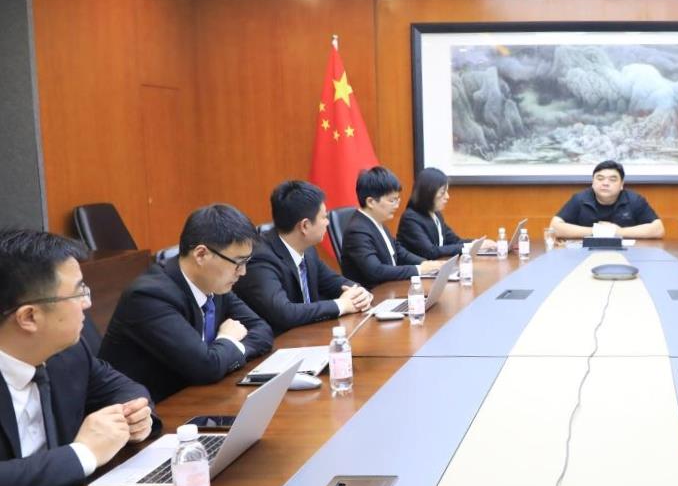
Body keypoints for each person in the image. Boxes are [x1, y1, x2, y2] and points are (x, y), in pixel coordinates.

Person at [0, 229, 156, 486]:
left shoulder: (67, 352)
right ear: (29, 317)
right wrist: (83, 453)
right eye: (78, 292)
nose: (87, 302)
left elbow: (123, 388)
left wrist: (134, 417)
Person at [100, 204, 273, 403]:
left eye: (246, 262)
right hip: (150, 411)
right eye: (238, 262)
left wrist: (228, 352)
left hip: (197, 398)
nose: (243, 272)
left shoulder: (214, 285)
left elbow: (262, 330)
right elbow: (205, 367)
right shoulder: (149, 296)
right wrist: (228, 340)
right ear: (201, 255)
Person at [236, 181, 373, 335]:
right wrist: (341, 305)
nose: (328, 222)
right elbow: (284, 313)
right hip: (279, 343)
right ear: (305, 226)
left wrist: (359, 293)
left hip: (310, 337)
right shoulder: (260, 258)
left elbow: (334, 282)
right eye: (324, 217)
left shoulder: (307, 249)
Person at [340, 166, 443, 288]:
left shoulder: (376, 222)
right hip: (375, 295)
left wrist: (426, 264)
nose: (397, 205)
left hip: (391, 287)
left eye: (397, 199)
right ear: (371, 202)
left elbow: (399, 252)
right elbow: (376, 271)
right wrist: (419, 269)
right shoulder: (357, 231)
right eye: (392, 200)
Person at [550, 160, 664, 240]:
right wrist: (596, 231)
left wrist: (619, 232)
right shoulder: (580, 199)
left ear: (622, 184)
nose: (605, 183)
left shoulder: (635, 200)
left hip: (628, 254)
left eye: (612, 179)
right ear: (593, 182)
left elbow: (658, 229)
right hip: (586, 254)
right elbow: (554, 227)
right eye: (600, 178)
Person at [396, 167, 468, 260]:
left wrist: (478, 244)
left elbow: (455, 241)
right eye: (442, 193)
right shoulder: (410, 218)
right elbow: (430, 252)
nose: (447, 197)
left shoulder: (436, 215)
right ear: (428, 193)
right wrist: (466, 247)